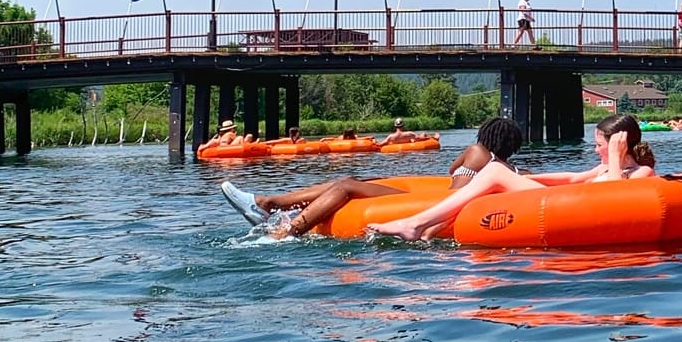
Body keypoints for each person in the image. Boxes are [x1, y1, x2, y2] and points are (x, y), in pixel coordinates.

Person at [372, 114, 656, 242]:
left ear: (619, 144)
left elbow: (617, 200)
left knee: (495, 171)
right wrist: (518, 176)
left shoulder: (641, 173)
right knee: (498, 175)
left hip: (570, 213)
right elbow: (571, 179)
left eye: (600, 146)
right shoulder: (602, 169)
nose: (595, 150)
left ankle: (415, 223)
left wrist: (617, 157)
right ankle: (430, 229)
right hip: (563, 205)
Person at [221, 117, 525, 237]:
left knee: (348, 184)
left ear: (485, 135)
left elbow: (450, 173)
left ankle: (285, 223)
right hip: (443, 203)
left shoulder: (474, 151)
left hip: (437, 203)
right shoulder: (508, 170)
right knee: (349, 182)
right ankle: (270, 206)